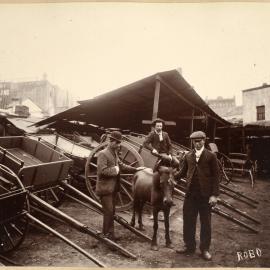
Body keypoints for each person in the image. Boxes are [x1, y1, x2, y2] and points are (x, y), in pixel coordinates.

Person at [175, 131, 219, 261]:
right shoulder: (188, 155)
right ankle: (189, 246)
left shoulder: (211, 156)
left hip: (205, 196)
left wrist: (214, 195)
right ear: (192, 142)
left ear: (204, 141)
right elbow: (183, 172)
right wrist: (173, 177)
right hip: (190, 194)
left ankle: (204, 249)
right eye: (195, 141)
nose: (197, 143)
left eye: (200, 141)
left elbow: (216, 177)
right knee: (188, 221)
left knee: (206, 223)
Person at [96, 130, 145, 241]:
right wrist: (115, 169)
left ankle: (110, 234)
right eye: (117, 143)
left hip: (113, 188)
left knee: (111, 211)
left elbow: (121, 165)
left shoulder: (114, 153)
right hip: (105, 189)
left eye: (119, 143)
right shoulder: (103, 154)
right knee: (108, 211)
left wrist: (136, 169)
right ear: (111, 141)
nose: (118, 145)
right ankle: (105, 235)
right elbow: (102, 171)